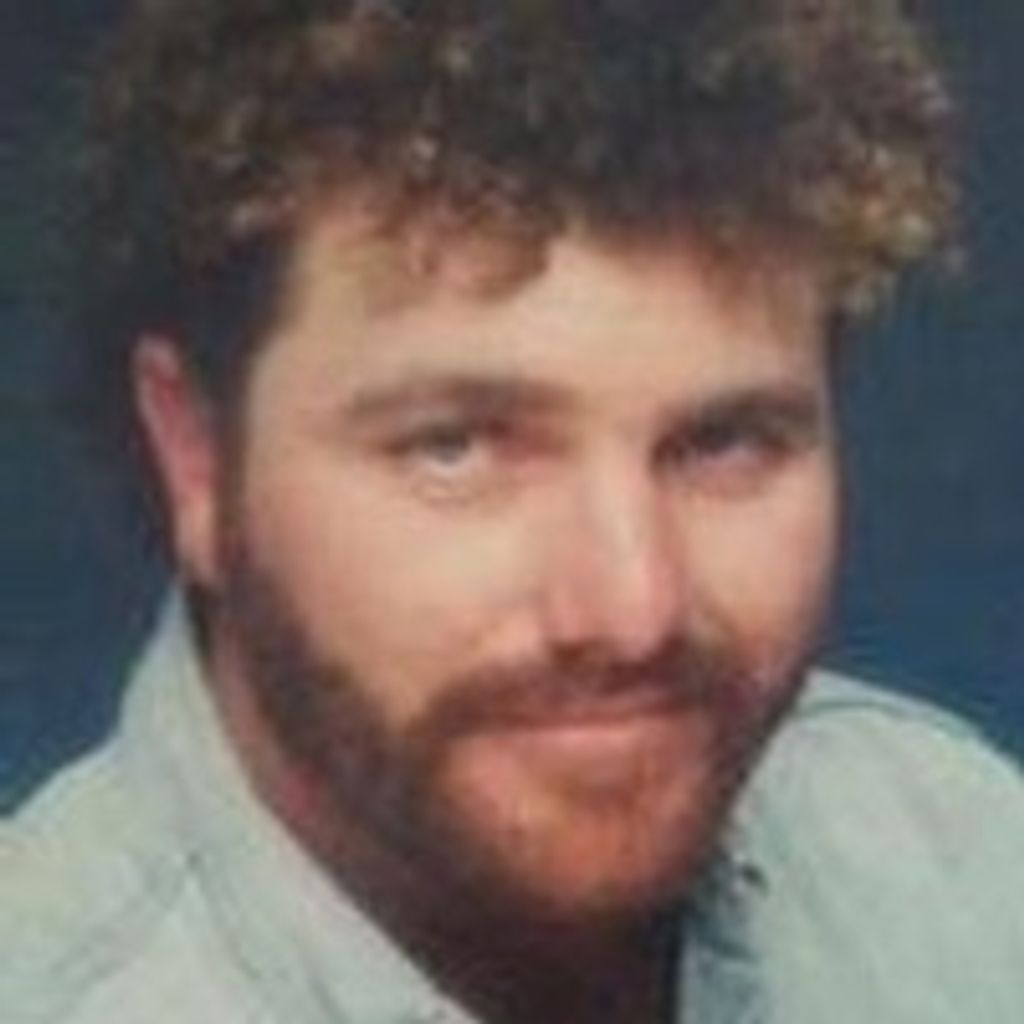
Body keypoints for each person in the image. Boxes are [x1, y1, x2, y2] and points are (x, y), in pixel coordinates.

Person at [4, 1, 1024, 1021]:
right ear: (194, 454)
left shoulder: (956, 847)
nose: (633, 613)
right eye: (456, 446)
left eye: (726, 442)